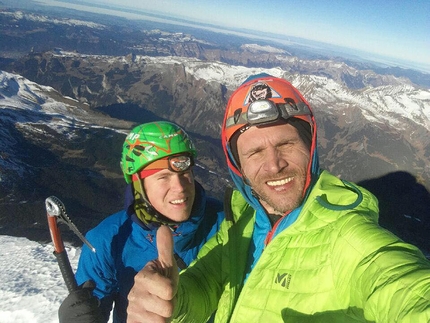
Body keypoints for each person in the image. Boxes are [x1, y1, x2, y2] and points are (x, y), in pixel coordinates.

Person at [126, 74, 430, 322]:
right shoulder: (242, 221)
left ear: (310, 149)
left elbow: (404, 286)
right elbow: (206, 284)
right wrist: (172, 301)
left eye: (286, 144)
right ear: (238, 167)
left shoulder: (348, 236)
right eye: (255, 152)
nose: (274, 165)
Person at [58, 121, 224, 323]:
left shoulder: (227, 222)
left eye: (184, 174)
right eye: (163, 177)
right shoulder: (108, 240)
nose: (179, 187)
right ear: (139, 185)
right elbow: (94, 307)